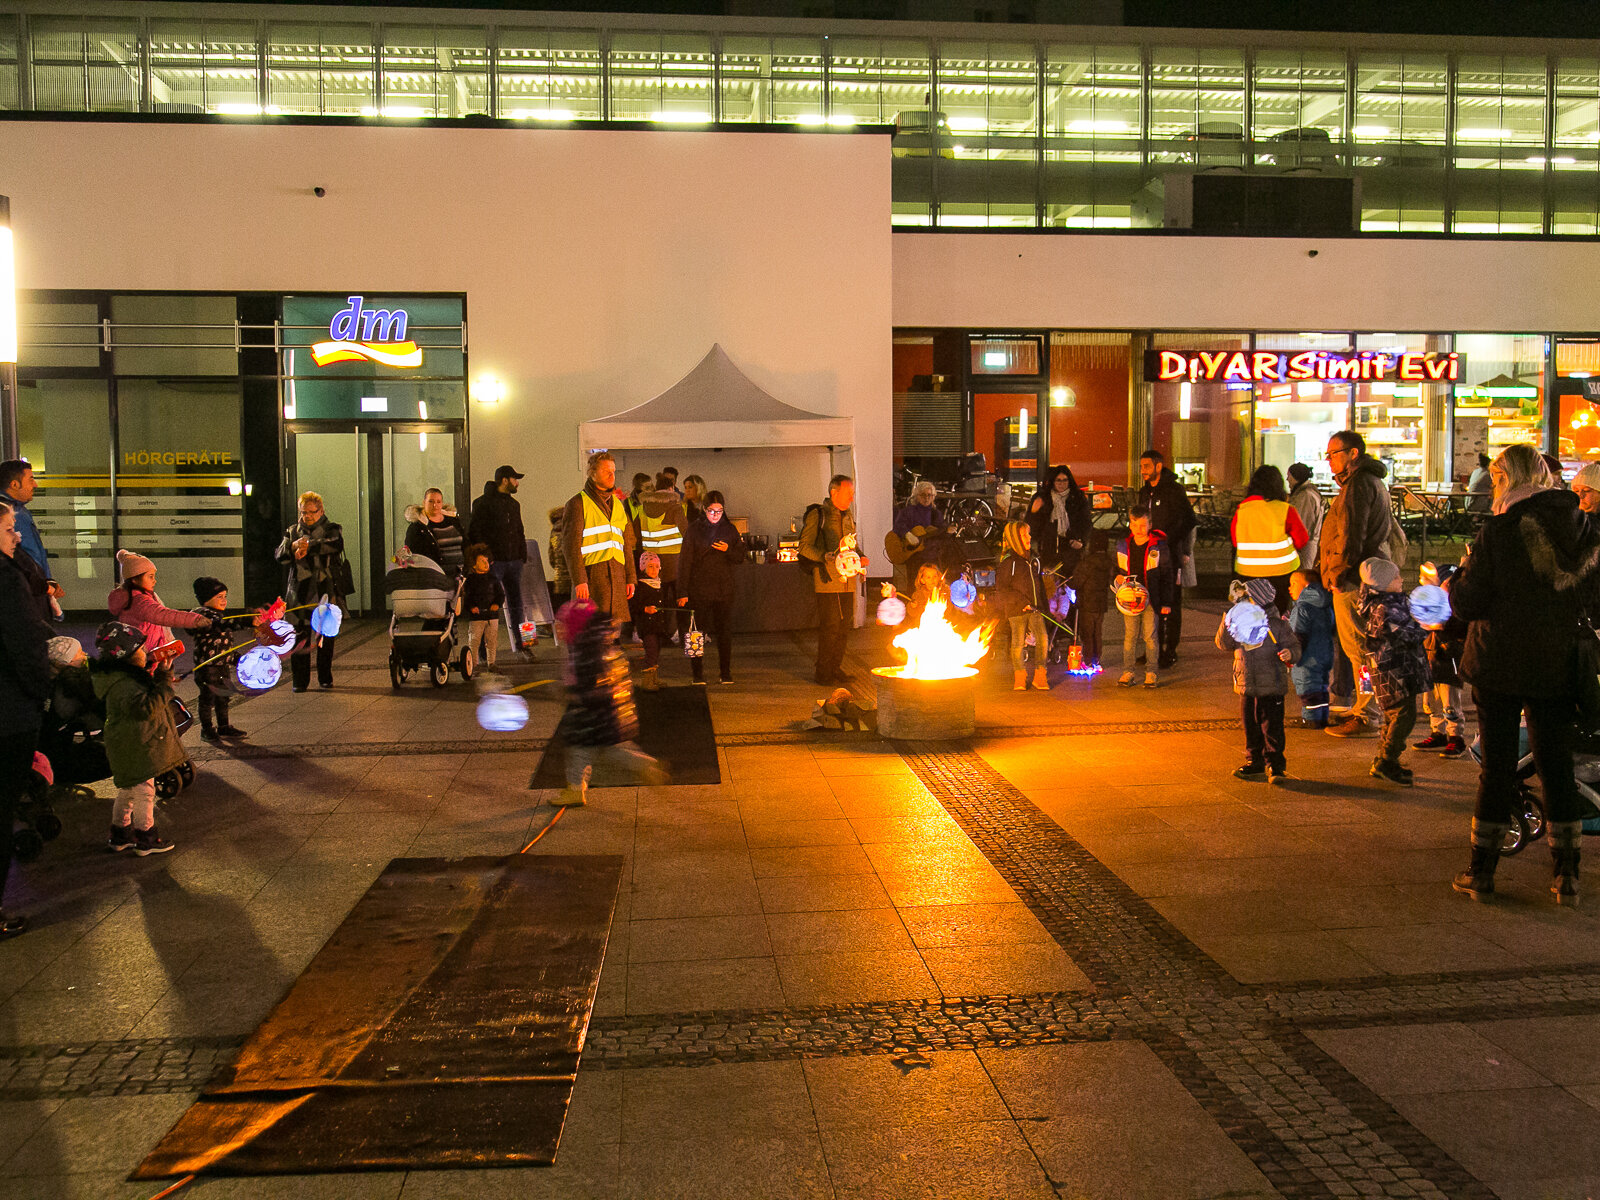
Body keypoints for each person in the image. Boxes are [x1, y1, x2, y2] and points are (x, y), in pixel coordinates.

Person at [1449, 444, 1598, 904]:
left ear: (1503, 478)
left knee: (1496, 768)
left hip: (1501, 661)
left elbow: (1469, 601)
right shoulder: (1585, 527)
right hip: (1559, 663)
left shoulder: (1500, 530)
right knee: (1555, 764)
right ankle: (1567, 873)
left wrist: (1452, 583)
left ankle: (1482, 869)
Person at [1320, 430, 1400, 736]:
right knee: (1363, 650)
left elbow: (1352, 534)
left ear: (1353, 453)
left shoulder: (1359, 485)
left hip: (1354, 580)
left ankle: (1367, 713)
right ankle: (1365, 708)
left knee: (1361, 652)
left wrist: (1339, 573)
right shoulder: (1368, 482)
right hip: (1359, 576)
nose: (1330, 460)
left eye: (1334, 453)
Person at [553, 598, 665, 807]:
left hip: (591, 712)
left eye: (562, 626)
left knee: (580, 749)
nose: (559, 631)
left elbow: (586, 681)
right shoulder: (599, 643)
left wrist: (570, 692)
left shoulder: (585, 650)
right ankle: (643, 765)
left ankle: (576, 789)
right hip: (610, 711)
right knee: (608, 748)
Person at [0, 499, 52, 939]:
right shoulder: (6, 580)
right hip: (9, 710)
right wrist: (42, 692)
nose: (17, 536)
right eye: (9, 529)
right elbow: (25, 643)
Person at [92, 620, 182, 856]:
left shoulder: (121, 679)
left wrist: (159, 674)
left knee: (128, 789)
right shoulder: (124, 684)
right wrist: (164, 682)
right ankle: (146, 837)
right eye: (140, 649)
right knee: (145, 791)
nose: (145, 652)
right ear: (127, 655)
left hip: (127, 741)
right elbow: (147, 708)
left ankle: (120, 834)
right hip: (136, 743)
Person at [1217, 576, 1300, 784]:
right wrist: (1227, 619)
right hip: (1246, 685)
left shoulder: (1277, 626)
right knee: (1250, 726)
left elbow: (1294, 646)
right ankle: (1254, 761)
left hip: (1271, 686)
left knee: (1272, 727)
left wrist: (1290, 653)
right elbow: (1223, 644)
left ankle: (1275, 765)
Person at [1358, 557, 1430, 787]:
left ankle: (1384, 758)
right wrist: (1426, 627)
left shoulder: (1390, 603)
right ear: (1383, 583)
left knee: (1393, 716)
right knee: (1403, 716)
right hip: (1395, 673)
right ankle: (1387, 759)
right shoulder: (1385, 608)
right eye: (1396, 577)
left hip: (1395, 670)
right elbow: (1405, 634)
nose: (1401, 579)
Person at [274, 491, 347, 692]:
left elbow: (335, 545)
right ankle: (300, 680)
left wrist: (308, 546)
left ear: (321, 510)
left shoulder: (332, 528)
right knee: (299, 635)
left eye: (312, 512)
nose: (307, 516)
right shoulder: (292, 531)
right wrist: (294, 546)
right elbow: (280, 555)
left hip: (325, 587)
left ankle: (325, 676)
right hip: (299, 590)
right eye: (304, 512)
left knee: (326, 634)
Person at [800, 475, 866, 687]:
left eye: (852, 494)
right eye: (848, 493)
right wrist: (824, 556)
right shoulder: (818, 515)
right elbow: (804, 546)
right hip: (828, 580)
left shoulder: (847, 515)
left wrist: (860, 557)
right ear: (833, 492)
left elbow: (851, 545)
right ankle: (823, 672)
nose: (851, 498)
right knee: (831, 626)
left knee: (844, 626)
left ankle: (835, 667)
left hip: (849, 581)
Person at [561, 452, 636, 629]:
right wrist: (580, 580)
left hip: (616, 578)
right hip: (592, 579)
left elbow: (625, 544)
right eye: (606, 471)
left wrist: (631, 577)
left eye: (613, 471)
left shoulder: (618, 504)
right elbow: (571, 546)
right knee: (590, 631)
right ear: (592, 473)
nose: (612, 475)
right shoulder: (578, 503)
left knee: (611, 634)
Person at [1136, 450, 1197, 668]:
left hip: (1170, 554)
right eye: (1141, 466)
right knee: (1150, 601)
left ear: (1158, 466)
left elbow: (1190, 519)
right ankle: (1152, 647)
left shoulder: (1174, 490)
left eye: (1146, 466)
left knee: (1170, 603)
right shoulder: (1144, 492)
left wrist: (1173, 541)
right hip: (1149, 553)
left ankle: (1170, 650)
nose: (1142, 470)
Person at [678, 490, 745, 685]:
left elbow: (740, 556)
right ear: (704, 509)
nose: (715, 515)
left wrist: (728, 550)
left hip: (723, 590)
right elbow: (685, 562)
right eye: (711, 511)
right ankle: (696, 673)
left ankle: (725, 672)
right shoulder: (694, 530)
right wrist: (682, 591)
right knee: (695, 633)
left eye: (719, 511)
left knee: (724, 632)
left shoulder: (730, 530)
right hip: (699, 590)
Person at [468, 465, 532, 657]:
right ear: (505, 480)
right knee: (488, 604)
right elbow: (475, 532)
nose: (517, 483)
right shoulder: (483, 503)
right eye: (514, 479)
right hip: (496, 562)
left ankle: (526, 644)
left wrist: (522, 554)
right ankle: (481, 649)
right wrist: (485, 558)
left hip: (513, 561)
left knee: (519, 604)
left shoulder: (514, 505)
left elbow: (519, 530)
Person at [1231, 465, 1309, 616]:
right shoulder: (1286, 509)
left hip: (1248, 573)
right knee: (1278, 615)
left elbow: (1235, 541)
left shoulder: (1242, 510)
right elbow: (1302, 540)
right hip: (1282, 574)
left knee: (1252, 616)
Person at [107, 549, 214, 657]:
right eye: (150, 576)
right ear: (134, 579)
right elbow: (164, 615)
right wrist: (196, 620)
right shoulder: (140, 602)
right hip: (144, 656)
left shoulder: (134, 597)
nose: (154, 580)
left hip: (145, 652)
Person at [1411, 562, 1470, 758]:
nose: (1448, 586)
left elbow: (1460, 628)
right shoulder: (1433, 601)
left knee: (1449, 701)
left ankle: (1456, 737)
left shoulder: (1458, 605)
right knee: (1431, 701)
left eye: (1451, 582)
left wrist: (1442, 625)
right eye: (1445, 582)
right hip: (1430, 657)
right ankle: (1438, 732)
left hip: (1448, 657)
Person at [1115, 505, 1175, 688]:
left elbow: (1167, 575)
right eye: (1135, 525)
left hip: (1152, 599)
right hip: (1130, 599)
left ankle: (1151, 672)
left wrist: (1166, 601)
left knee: (1150, 636)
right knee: (1130, 636)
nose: (1139, 529)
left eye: (1143, 525)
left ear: (1150, 524)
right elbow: (1116, 570)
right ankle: (1128, 671)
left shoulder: (1159, 546)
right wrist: (1116, 579)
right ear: (1130, 525)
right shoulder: (1123, 545)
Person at [633, 473, 689, 647]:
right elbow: (687, 533)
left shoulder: (642, 509)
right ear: (671, 488)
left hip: (652, 567)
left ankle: (658, 636)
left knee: (657, 603)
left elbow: (634, 536)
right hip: (675, 564)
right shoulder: (675, 508)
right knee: (679, 602)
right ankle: (682, 635)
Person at [0, 459, 62, 617]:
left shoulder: (21, 511)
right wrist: (42, 584)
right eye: (31, 479)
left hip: (35, 588)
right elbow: (20, 558)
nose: (35, 485)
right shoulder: (5, 512)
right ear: (14, 484)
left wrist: (46, 582)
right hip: (25, 593)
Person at [993, 520, 1050, 692]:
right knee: (1018, 642)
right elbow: (1002, 589)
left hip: (1035, 608)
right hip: (1016, 608)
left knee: (1043, 639)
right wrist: (1021, 602)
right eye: (1025, 534)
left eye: (1028, 533)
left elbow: (1038, 584)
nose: (1029, 537)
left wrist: (1042, 606)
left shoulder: (1033, 559)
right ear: (1015, 538)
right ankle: (1020, 676)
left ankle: (1040, 675)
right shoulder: (1008, 562)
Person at [190, 576, 246, 742]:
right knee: (208, 698)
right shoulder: (203, 617)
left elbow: (225, 646)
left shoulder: (220, 617)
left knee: (224, 695)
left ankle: (223, 726)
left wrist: (236, 658)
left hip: (222, 665)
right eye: (219, 597)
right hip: (207, 667)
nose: (224, 600)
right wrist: (247, 621)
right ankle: (206, 729)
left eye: (225, 596)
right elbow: (217, 625)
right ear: (206, 599)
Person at [1286, 569, 1335, 729]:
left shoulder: (1301, 607)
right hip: (1325, 653)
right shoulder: (1327, 604)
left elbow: (1298, 634)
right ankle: (1322, 718)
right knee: (1321, 686)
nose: (1289, 588)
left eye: (1293, 584)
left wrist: (1294, 654)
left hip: (1307, 656)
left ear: (1306, 586)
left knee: (1307, 687)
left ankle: (1311, 719)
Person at [1028, 465, 1092, 575]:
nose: (1062, 484)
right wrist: (1034, 512)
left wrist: (1081, 541)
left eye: (1065, 480)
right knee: (1050, 582)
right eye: (1058, 480)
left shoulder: (1077, 497)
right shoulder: (1043, 498)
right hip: (1048, 546)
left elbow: (1086, 522)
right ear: (1053, 481)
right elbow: (1031, 527)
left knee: (1070, 580)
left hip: (1071, 546)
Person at [1068, 531, 1114, 671]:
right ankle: (1096, 659)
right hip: (1101, 604)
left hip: (1086, 602)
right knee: (1097, 632)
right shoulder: (1108, 561)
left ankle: (1087, 660)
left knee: (1087, 633)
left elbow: (1076, 582)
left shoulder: (1087, 562)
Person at [630, 551, 676, 691]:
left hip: (658, 625)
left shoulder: (659, 585)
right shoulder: (641, 586)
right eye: (650, 566)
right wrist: (645, 609)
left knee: (656, 650)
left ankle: (654, 678)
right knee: (651, 650)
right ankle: (647, 680)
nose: (654, 570)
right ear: (643, 568)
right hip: (647, 625)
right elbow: (633, 605)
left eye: (657, 567)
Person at [405, 488, 467, 579]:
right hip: (435, 577)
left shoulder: (453, 521)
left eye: (438, 502)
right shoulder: (418, 527)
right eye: (431, 501)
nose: (435, 505)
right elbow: (413, 554)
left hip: (460, 574)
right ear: (424, 502)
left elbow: (465, 542)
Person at [462, 544, 505, 672]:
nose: (486, 564)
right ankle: (473, 663)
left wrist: (497, 604)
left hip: (492, 616)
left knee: (491, 640)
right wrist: (471, 607)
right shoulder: (470, 580)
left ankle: (491, 663)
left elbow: (500, 594)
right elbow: (467, 598)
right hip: (477, 617)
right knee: (474, 640)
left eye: (487, 561)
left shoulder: (493, 579)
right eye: (482, 561)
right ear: (473, 564)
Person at [1286, 463, 1326, 572]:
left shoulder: (1305, 496)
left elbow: (1302, 525)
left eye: (1289, 475)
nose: (1287, 479)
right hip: (1306, 546)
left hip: (1305, 548)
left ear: (1295, 477)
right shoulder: (1306, 493)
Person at [547, 506, 572, 613]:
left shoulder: (554, 533)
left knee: (564, 613)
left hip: (560, 582)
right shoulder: (573, 529)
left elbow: (551, 558)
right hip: (575, 579)